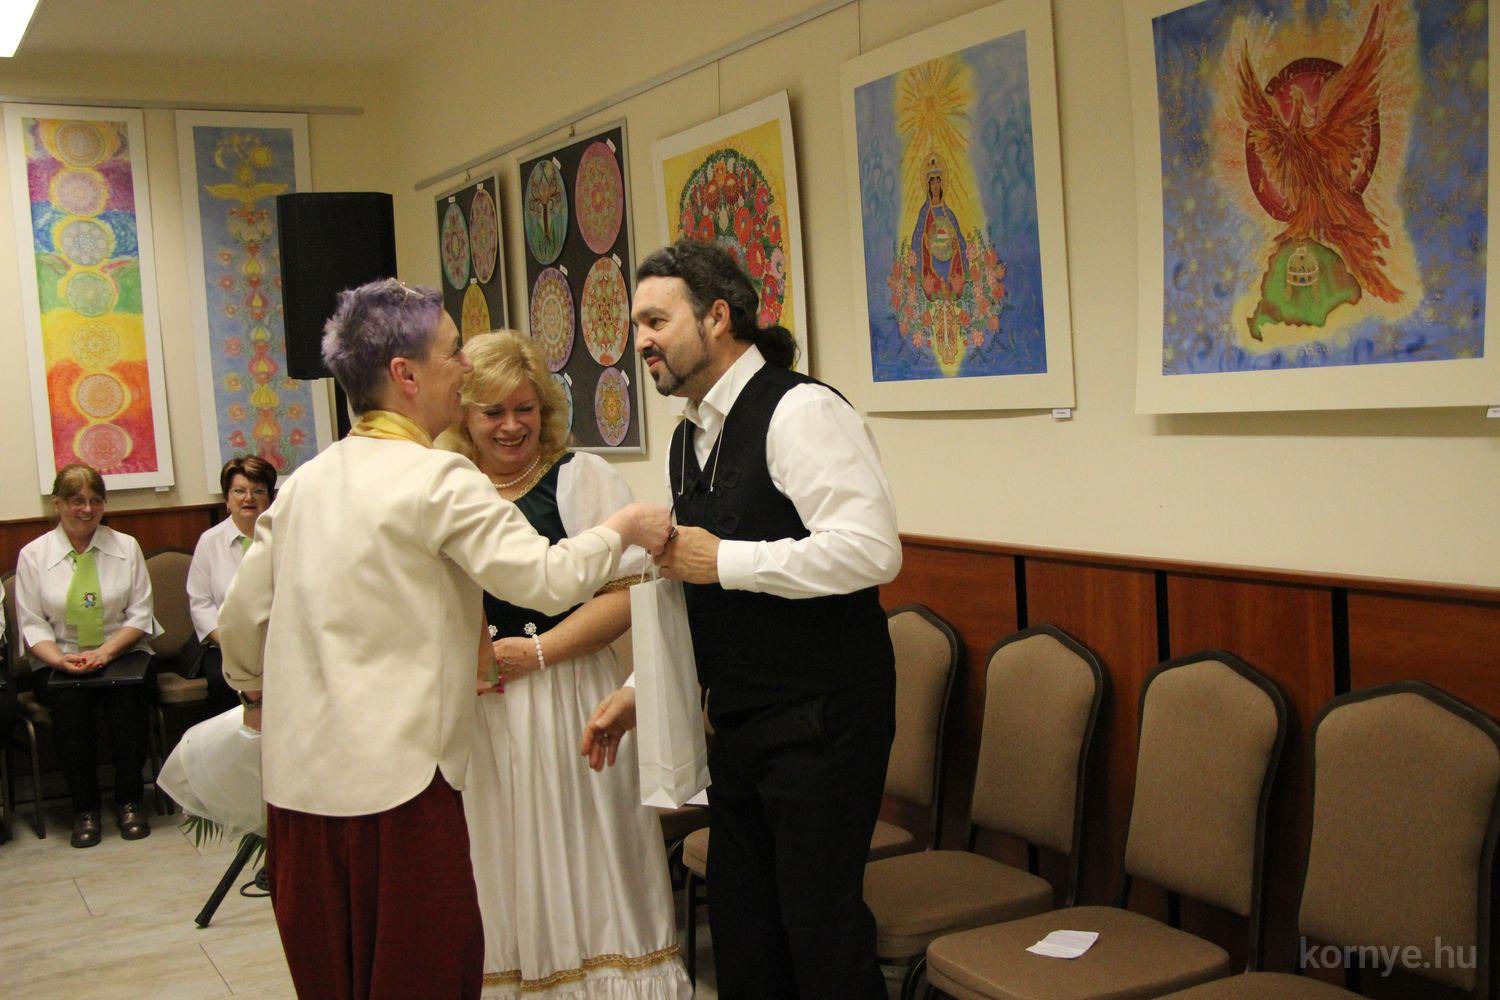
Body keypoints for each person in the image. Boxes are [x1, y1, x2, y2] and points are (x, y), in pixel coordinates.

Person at [218, 279, 670, 1000]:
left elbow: (242, 621)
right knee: (419, 972)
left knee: (334, 977)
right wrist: (625, 527)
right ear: (406, 373)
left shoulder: (306, 481)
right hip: (399, 787)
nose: (464, 367)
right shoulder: (438, 477)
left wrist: (254, 690)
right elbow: (545, 579)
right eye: (453, 351)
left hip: (300, 789)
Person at [584, 239, 903, 999]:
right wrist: (639, 688)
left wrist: (725, 559)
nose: (642, 341)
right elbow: (695, 590)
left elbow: (871, 551)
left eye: (656, 321)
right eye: (637, 326)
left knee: (821, 938)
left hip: (823, 718)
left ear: (717, 317)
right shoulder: (688, 436)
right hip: (738, 723)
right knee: (746, 933)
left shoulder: (801, 410)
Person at [437, 330, 691, 999]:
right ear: (463, 414)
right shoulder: (444, 488)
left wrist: (539, 651)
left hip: (570, 693)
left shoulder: (582, 479)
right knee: (498, 854)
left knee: (586, 847)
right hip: (480, 709)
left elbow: (629, 595)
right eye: (493, 411)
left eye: (525, 408)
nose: (511, 425)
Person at [14, 464, 158, 849]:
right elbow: (32, 624)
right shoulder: (34, 555)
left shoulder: (126, 547)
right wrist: (60, 661)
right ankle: (85, 808)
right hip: (60, 659)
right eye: (77, 500)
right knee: (71, 706)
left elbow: (140, 614)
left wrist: (106, 652)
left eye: (96, 500)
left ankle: (130, 800)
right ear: (58, 504)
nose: (87, 509)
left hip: (122, 653)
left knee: (129, 701)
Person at [186, 455, 277, 713]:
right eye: (239, 491)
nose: (248, 498)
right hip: (224, 646)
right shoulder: (210, 541)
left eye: (258, 491)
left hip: (277, 645)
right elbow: (200, 604)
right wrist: (231, 644)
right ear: (227, 499)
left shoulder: (284, 537)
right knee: (222, 681)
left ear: (270, 498)